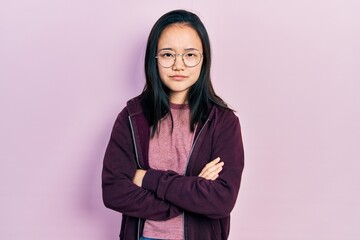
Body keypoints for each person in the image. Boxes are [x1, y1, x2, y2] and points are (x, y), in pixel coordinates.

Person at [102, 9, 245, 240]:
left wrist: (148, 178)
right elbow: (114, 191)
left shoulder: (223, 123)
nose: (179, 65)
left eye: (190, 55)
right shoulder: (131, 117)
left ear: (203, 59)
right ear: (154, 59)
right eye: (168, 55)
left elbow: (221, 200)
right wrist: (190, 194)